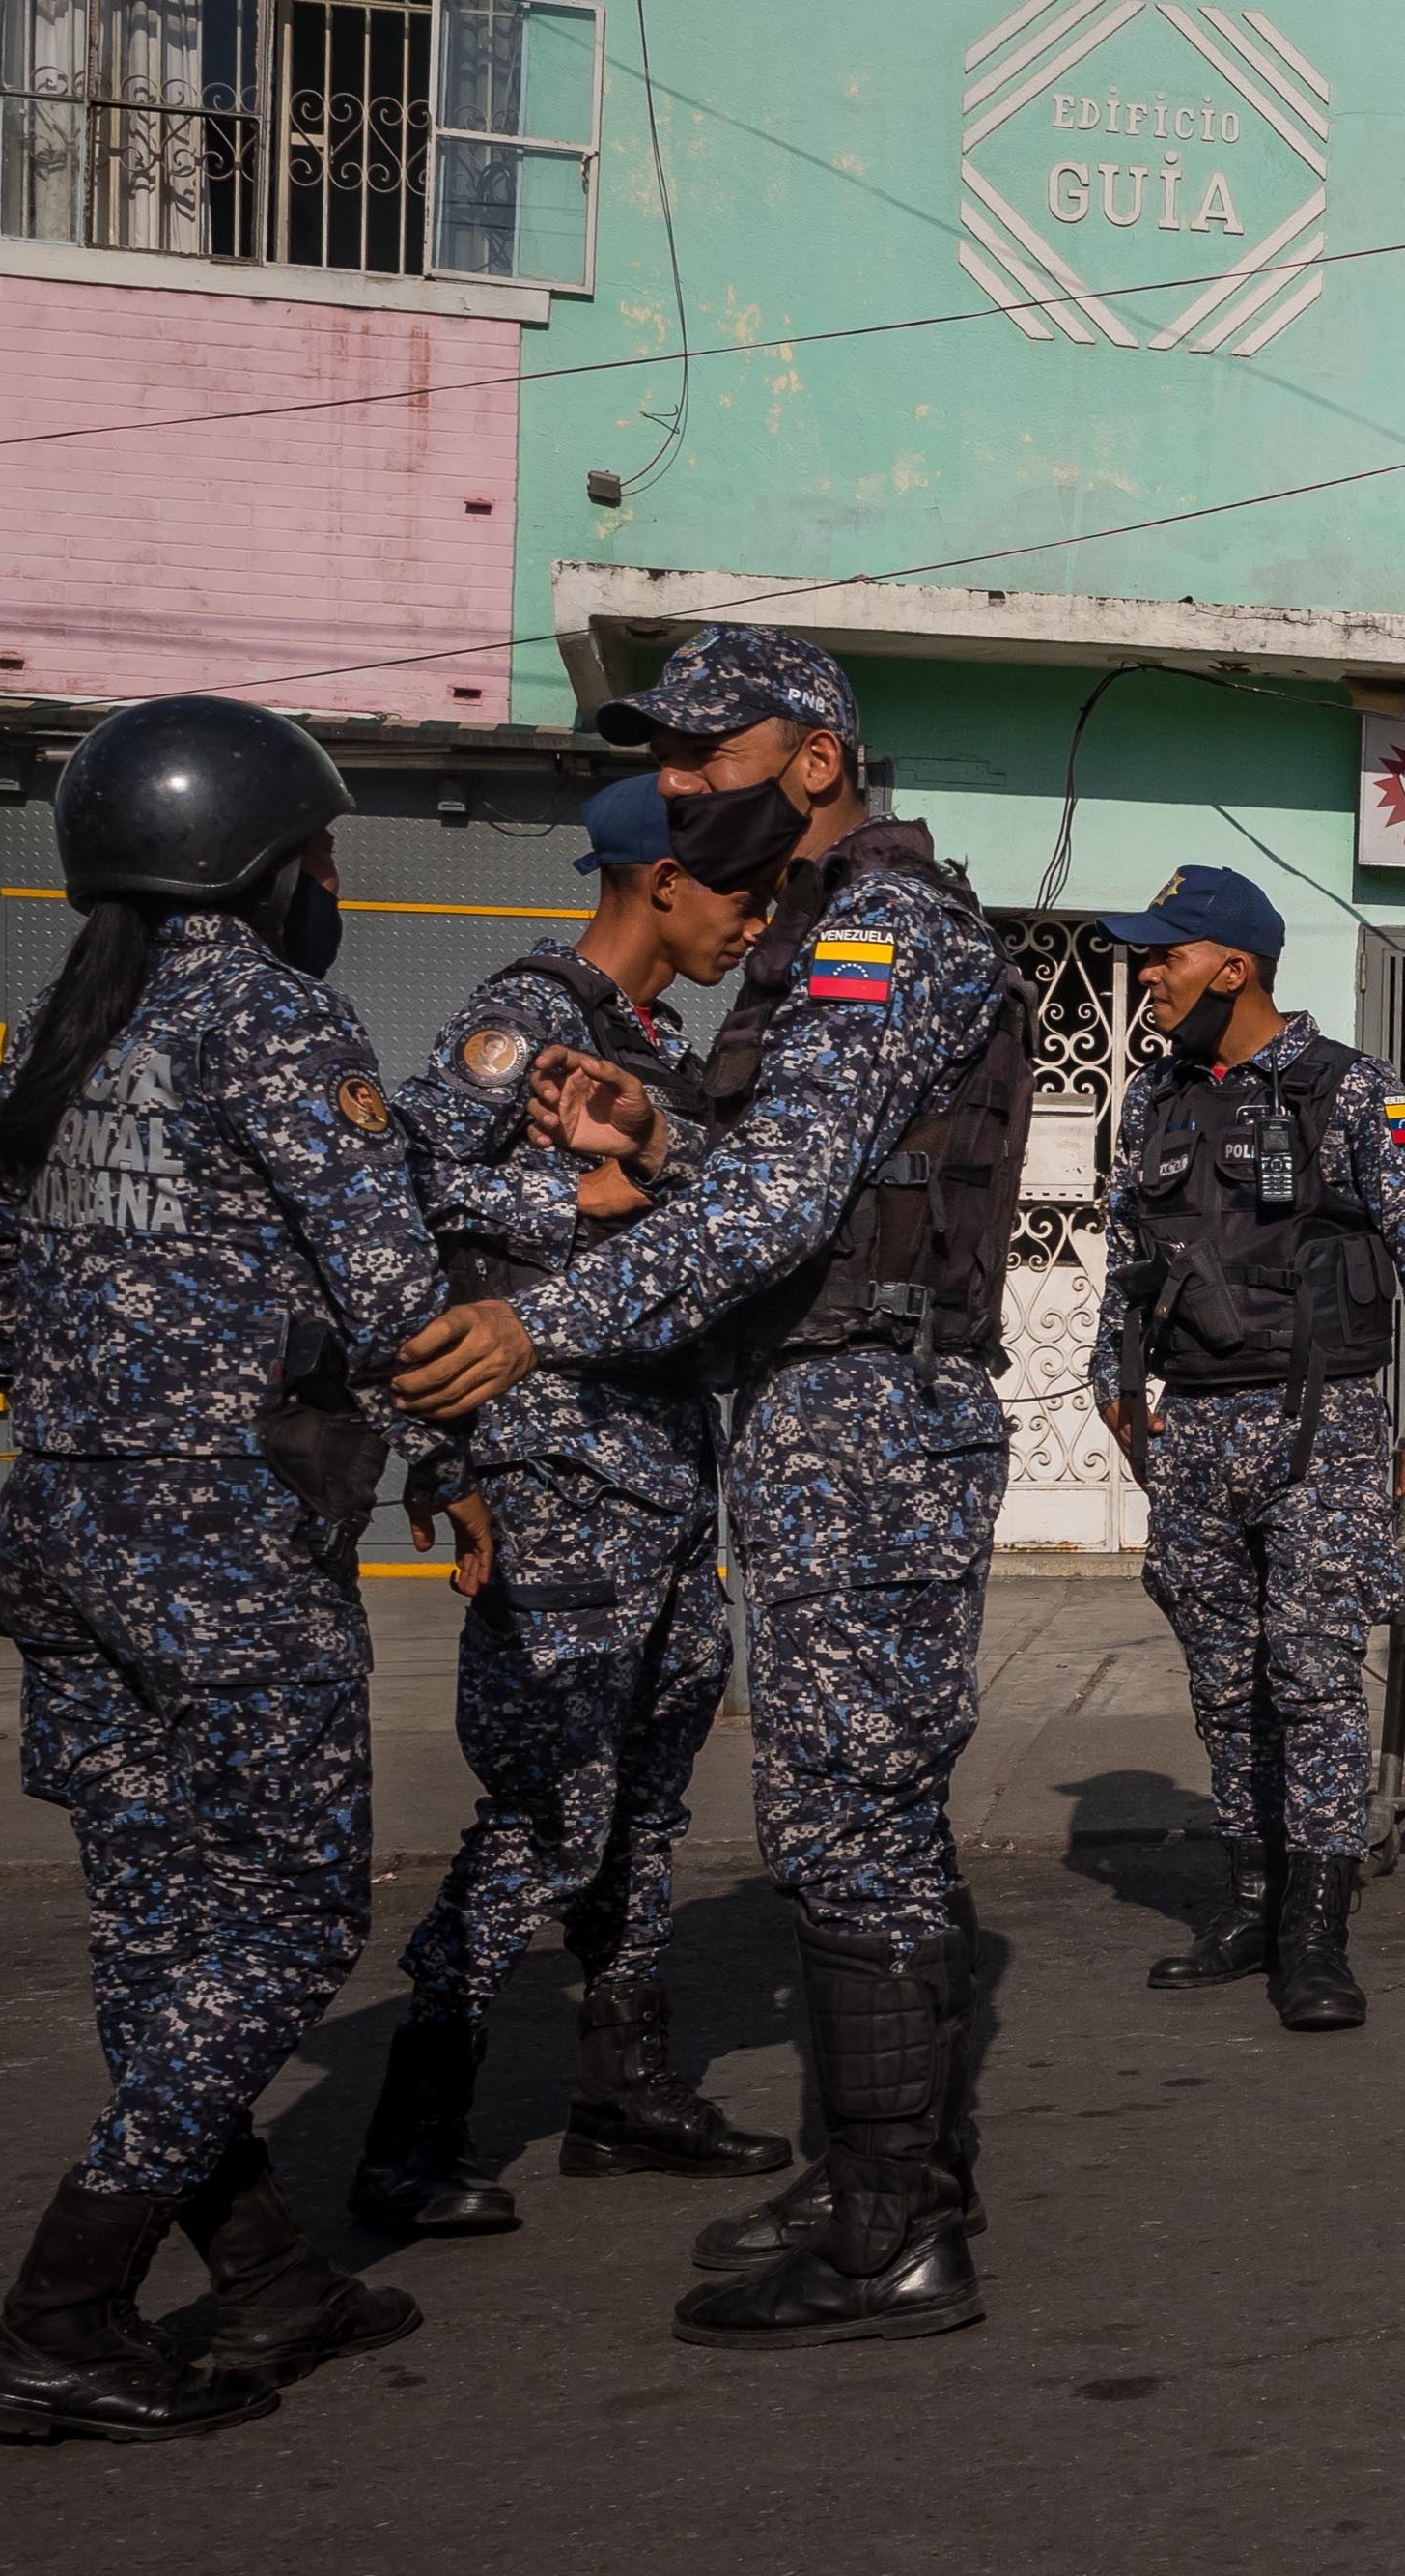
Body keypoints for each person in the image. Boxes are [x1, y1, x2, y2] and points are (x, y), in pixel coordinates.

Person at [393, 626, 1031, 2351]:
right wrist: (660, 1134)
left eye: (710, 755)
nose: (679, 786)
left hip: (870, 1427)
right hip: (819, 1423)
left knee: (852, 1819)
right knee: (836, 1813)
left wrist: (542, 1323)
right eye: (663, 759)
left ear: (816, 757)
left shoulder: (885, 927)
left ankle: (898, 2230)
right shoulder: (807, 946)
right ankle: (872, 2175)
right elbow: (770, 1169)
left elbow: (781, 1216)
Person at [0, 694, 490, 2443]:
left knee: (162, 1920)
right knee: (295, 1916)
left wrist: (88, 1384)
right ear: (254, 864)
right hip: (223, 1542)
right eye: (317, 854)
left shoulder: (65, 1023)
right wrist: (443, 1450)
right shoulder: (271, 1014)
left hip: (71, 1527)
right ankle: (62, 2311)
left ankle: (267, 2272)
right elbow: (396, 1296)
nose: (331, 884)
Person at [348, 771, 797, 2236]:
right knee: (546, 1809)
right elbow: (394, 1197)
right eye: (740, 890)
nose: (756, 917)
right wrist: (455, 1457)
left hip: (661, 1468)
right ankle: (413, 2133)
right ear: (661, 880)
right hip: (558, 1479)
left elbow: (730, 1222)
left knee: (648, 1805)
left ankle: (623, 2088)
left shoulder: (642, 1042)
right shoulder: (522, 1016)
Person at [1090, 865, 1405, 2032]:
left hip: (1322, 1432)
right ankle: (1249, 1902)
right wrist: (1115, 1385)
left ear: (1233, 966)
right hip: (1196, 1436)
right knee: (1222, 1685)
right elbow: (1123, 1262)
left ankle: (1316, 1933)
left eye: (1165, 956)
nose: (1146, 975)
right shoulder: (1153, 1099)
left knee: (1311, 1685)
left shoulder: (1346, 1090)